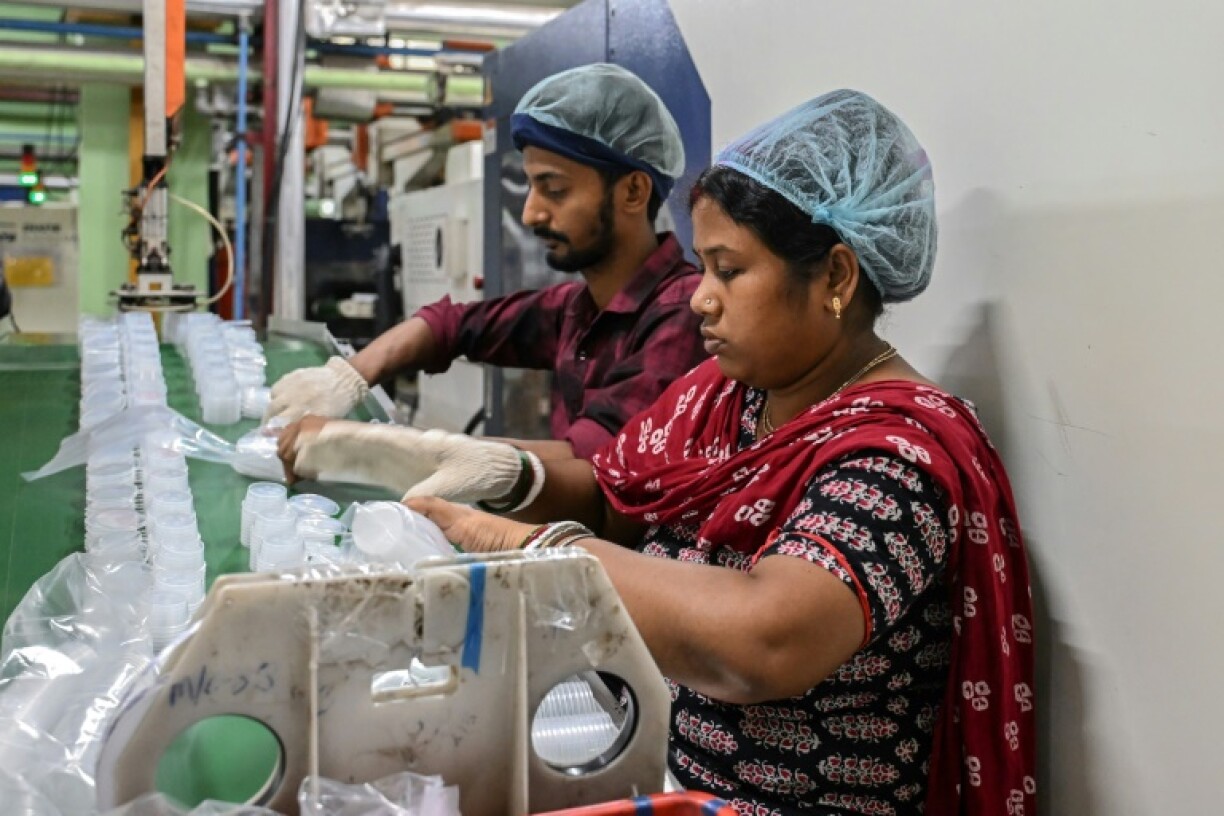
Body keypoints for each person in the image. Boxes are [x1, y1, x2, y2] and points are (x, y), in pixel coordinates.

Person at [343, 89, 1037, 815]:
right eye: (702, 267)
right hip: (664, 772)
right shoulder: (725, 397)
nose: (701, 298)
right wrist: (501, 472)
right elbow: (614, 500)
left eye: (729, 271)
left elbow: (759, 643)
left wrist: (534, 546)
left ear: (834, 276)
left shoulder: (897, 457)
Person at [266, 63, 706, 460]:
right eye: (531, 188)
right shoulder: (581, 308)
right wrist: (348, 378)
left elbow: (592, 462)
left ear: (633, 191)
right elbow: (451, 324)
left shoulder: (681, 317)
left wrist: (392, 449)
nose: (531, 213)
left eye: (554, 189)